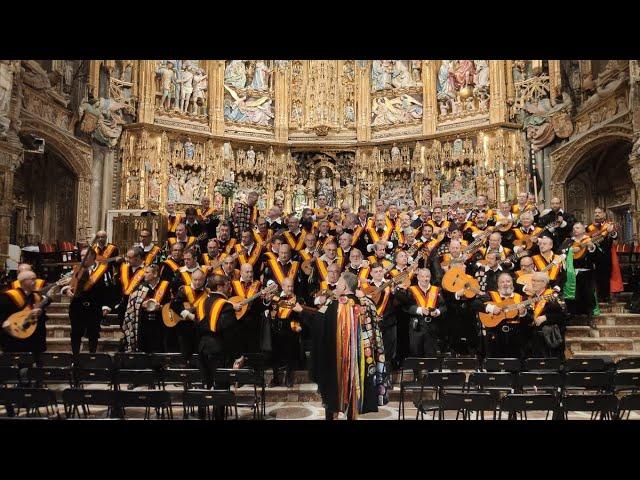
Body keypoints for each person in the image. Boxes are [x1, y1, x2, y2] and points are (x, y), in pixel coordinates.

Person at [294, 271, 388, 420]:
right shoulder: (367, 303)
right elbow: (375, 333)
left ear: (344, 286)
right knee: (354, 394)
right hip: (362, 360)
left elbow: (319, 324)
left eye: (338, 283)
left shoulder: (335, 304)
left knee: (332, 395)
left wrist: (302, 312)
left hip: (337, 361)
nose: (336, 285)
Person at [62, 248, 114, 355]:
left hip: (94, 306)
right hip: (77, 306)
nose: (83, 258)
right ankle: (75, 357)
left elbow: (108, 290)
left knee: (93, 334)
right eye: (81, 256)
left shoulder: (103, 270)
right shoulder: (76, 269)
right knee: (76, 333)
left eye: (85, 255)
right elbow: (64, 282)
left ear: (93, 257)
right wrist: (66, 290)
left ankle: (92, 357)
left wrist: (106, 306)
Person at [474, 272, 528, 358]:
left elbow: (529, 321)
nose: (505, 284)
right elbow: (475, 304)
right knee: (493, 367)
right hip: (494, 336)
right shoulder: (490, 295)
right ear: (498, 284)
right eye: (502, 282)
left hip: (515, 338)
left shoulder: (522, 298)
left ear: (512, 283)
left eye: (508, 281)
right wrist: (491, 308)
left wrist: (523, 314)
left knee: (515, 367)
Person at [395, 268, 447, 356]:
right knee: (416, 352)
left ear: (430, 277)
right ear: (418, 277)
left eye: (427, 276)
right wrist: (419, 310)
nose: (425, 279)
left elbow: (443, 306)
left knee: (431, 354)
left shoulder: (437, 290)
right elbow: (405, 307)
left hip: (432, 325)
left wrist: (437, 311)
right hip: (417, 325)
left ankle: (430, 369)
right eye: (422, 276)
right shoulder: (411, 290)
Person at [0, 271, 50, 359]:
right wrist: (4, 323)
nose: (36, 281)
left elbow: (41, 319)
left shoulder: (37, 297)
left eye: (36, 279)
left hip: (34, 339)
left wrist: (40, 313)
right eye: (32, 279)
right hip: (14, 338)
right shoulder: (8, 296)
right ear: (23, 281)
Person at [122, 264, 171, 353]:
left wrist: (160, 307)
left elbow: (172, 304)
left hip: (160, 323)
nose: (144, 274)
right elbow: (131, 304)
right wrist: (141, 305)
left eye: (147, 272)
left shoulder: (166, 286)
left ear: (155, 274)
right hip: (143, 323)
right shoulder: (140, 287)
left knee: (159, 348)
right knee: (143, 348)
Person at [170, 268, 208, 360]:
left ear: (204, 280)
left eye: (200, 280)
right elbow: (174, 304)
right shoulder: (184, 289)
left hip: (200, 328)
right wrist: (186, 313)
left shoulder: (208, 293)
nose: (198, 282)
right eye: (195, 280)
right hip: (185, 328)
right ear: (191, 278)